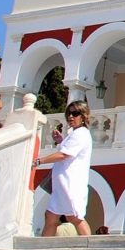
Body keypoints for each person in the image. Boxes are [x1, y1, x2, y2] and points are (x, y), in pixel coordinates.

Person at [33, 101, 94, 237]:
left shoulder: (81, 134)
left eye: (75, 113)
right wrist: (61, 141)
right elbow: (67, 152)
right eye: (69, 113)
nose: (71, 116)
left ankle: (90, 245)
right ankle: (44, 247)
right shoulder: (74, 134)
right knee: (50, 216)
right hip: (62, 185)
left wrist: (39, 161)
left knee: (74, 217)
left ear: (83, 116)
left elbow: (64, 155)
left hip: (70, 184)